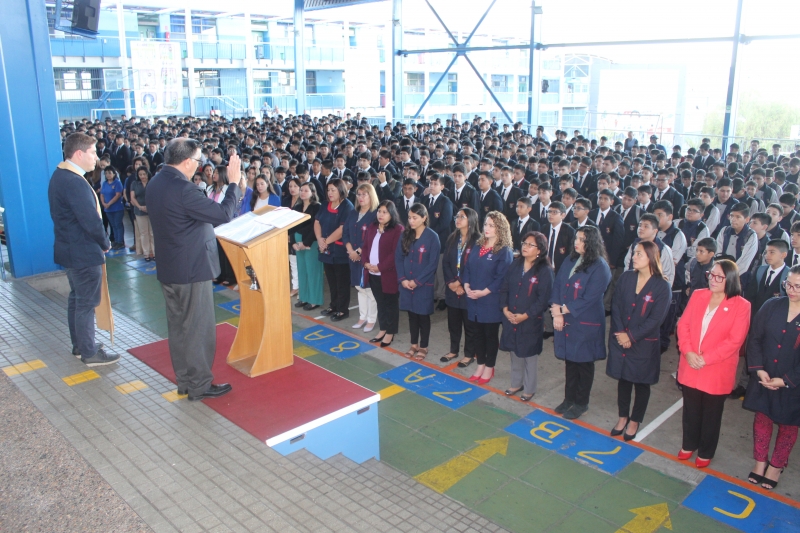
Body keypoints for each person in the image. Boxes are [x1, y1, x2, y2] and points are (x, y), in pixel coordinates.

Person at [146, 138, 243, 401]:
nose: (200, 166)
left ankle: (186, 381)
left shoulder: (156, 183)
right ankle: (200, 384)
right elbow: (223, 214)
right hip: (191, 269)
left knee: (178, 327)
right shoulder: (183, 189)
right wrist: (233, 183)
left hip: (169, 267)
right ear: (187, 161)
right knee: (198, 328)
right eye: (199, 161)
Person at [48, 133, 119, 366]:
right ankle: (89, 352)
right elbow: (90, 220)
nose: (96, 158)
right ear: (79, 154)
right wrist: (105, 242)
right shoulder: (73, 181)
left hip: (70, 250)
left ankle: (80, 344)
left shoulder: (60, 176)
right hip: (82, 252)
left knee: (77, 299)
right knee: (86, 303)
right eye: (92, 152)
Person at [676, 259, 750, 467]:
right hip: (690, 363)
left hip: (716, 369)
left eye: (719, 277)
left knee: (711, 414)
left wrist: (705, 359)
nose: (713, 280)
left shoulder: (742, 306)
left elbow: (735, 341)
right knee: (690, 410)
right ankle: (688, 444)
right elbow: (684, 325)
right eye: (711, 274)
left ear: (731, 280)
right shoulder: (699, 295)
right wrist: (688, 351)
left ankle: (706, 451)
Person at [606, 241, 671, 440]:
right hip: (621, 338)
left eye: (639, 254)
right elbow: (615, 307)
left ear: (651, 258)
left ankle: (635, 420)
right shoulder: (626, 278)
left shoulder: (661, 286)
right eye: (634, 253)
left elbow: (656, 320)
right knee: (624, 380)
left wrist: (631, 337)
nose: (634, 257)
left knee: (641, 383)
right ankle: (623, 417)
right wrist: (620, 333)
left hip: (643, 343)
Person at [743, 265, 800, 490]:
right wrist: (758, 369)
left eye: (797, 286)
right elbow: (755, 338)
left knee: (788, 425)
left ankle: (776, 466)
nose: (791, 290)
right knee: (763, 419)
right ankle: (760, 463)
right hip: (764, 375)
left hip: (793, 383)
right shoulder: (771, 306)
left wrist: (786, 380)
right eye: (788, 284)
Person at [550, 226, 612, 420]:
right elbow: (559, 284)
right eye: (576, 238)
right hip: (567, 318)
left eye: (582, 239)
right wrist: (556, 311)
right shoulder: (570, 260)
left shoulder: (600, 267)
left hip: (586, 321)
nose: (576, 242)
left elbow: (589, 298)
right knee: (570, 361)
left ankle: (581, 402)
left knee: (584, 363)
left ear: (591, 242)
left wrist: (560, 310)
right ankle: (569, 399)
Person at [500, 231, 553, 402]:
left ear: (540, 250)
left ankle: (529, 388)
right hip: (511, 316)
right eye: (524, 243)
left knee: (529, 355)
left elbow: (543, 300)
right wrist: (505, 309)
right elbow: (504, 288)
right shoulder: (515, 264)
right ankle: (516, 383)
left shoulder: (544, 271)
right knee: (515, 351)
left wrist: (525, 315)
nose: (525, 247)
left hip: (530, 320)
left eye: (531, 245)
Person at [462, 211, 514, 384]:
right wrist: (466, 284)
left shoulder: (504, 251)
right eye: (486, 224)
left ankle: (489, 367)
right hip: (473, 298)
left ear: (500, 228)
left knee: (490, 335)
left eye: (491, 225)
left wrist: (484, 292)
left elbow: (502, 278)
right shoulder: (478, 245)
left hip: (490, 300)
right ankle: (480, 364)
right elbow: (467, 267)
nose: (487, 228)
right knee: (476, 334)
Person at [396, 204, 441, 360]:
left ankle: (423, 346)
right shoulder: (405, 235)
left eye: (415, 217)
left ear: (424, 218)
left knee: (423, 316)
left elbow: (432, 264)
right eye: (409, 217)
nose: (411, 221)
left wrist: (417, 281)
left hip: (423, 285)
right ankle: (413, 344)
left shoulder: (432, 237)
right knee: (411, 315)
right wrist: (402, 279)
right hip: (406, 284)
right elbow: (399, 258)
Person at [440, 208, 481, 367]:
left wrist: (462, 283)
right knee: (453, 323)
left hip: (467, 289)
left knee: (469, 324)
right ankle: (453, 350)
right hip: (453, 290)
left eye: (462, 217)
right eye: (457, 216)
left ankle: (469, 354)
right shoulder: (452, 238)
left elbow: (475, 266)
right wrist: (451, 282)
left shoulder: (478, 240)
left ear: (470, 220)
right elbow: (446, 263)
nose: (458, 219)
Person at [363, 200, 404, 347]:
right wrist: (366, 263)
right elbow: (366, 247)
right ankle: (383, 328)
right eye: (379, 211)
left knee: (390, 304)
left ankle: (390, 332)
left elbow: (395, 254)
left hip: (388, 274)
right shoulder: (372, 226)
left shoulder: (398, 229)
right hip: (373, 273)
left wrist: (380, 267)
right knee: (380, 302)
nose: (381, 214)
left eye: (385, 212)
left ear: (391, 214)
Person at [315, 178, 354, 321]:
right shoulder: (325, 204)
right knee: (331, 281)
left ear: (341, 190)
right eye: (328, 190)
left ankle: (343, 309)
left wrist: (325, 242)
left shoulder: (347, 206)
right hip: (326, 250)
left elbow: (342, 229)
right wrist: (319, 239)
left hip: (340, 251)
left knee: (342, 282)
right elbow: (317, 222)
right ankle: (333, 305)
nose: (330, 193)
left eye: (333, 190)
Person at [344, 183, 379, 332]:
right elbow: (345, 233)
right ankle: (362, 316)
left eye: (364, 194)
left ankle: (371, 319)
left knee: (369, 289)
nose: (361, 197)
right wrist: (350, 250)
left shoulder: (375, 214)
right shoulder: (353, 213)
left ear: (371, 196)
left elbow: (372, 238)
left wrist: (358, 252)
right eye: (358, 194)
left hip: (367, 258)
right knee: (359, 288)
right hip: (353, 257)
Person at [292, 182, 323, 311]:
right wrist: (293, 242)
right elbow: (292, 225)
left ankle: (314, 300)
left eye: (306, 190)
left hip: (311, 241)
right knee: (302, 270)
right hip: (298, 241)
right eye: (302, 190)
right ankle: (303, 297)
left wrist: (306, 243)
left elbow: (315, 227)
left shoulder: (317, 207)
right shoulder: (297, 207)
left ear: (313, 192)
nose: (302, 192)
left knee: (312, 271)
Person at [130, 167, 155, 261]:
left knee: (152, 232)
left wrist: (150, 207)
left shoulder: (152, 182)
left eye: (144, 174)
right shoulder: (134, 184)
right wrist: (140, 207)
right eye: (140, 175)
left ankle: (154, 252)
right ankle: (146, 254)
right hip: (139, 211)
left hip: (152, 210)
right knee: (144, 233)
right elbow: (132, 198)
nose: (142, 176)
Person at [100, 166, 125, 249]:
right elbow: (102, 194)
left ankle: (120, 241)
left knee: (118, 224)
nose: (108, 175)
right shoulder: (104, 183)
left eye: (110, 173)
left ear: (114, 174)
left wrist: (109, 203)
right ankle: (115, 240)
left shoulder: (117, 183)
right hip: (108, 209)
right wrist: (103, 203)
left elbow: (118, 195)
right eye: (106, 173)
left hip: (117, 208)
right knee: (113, 225)